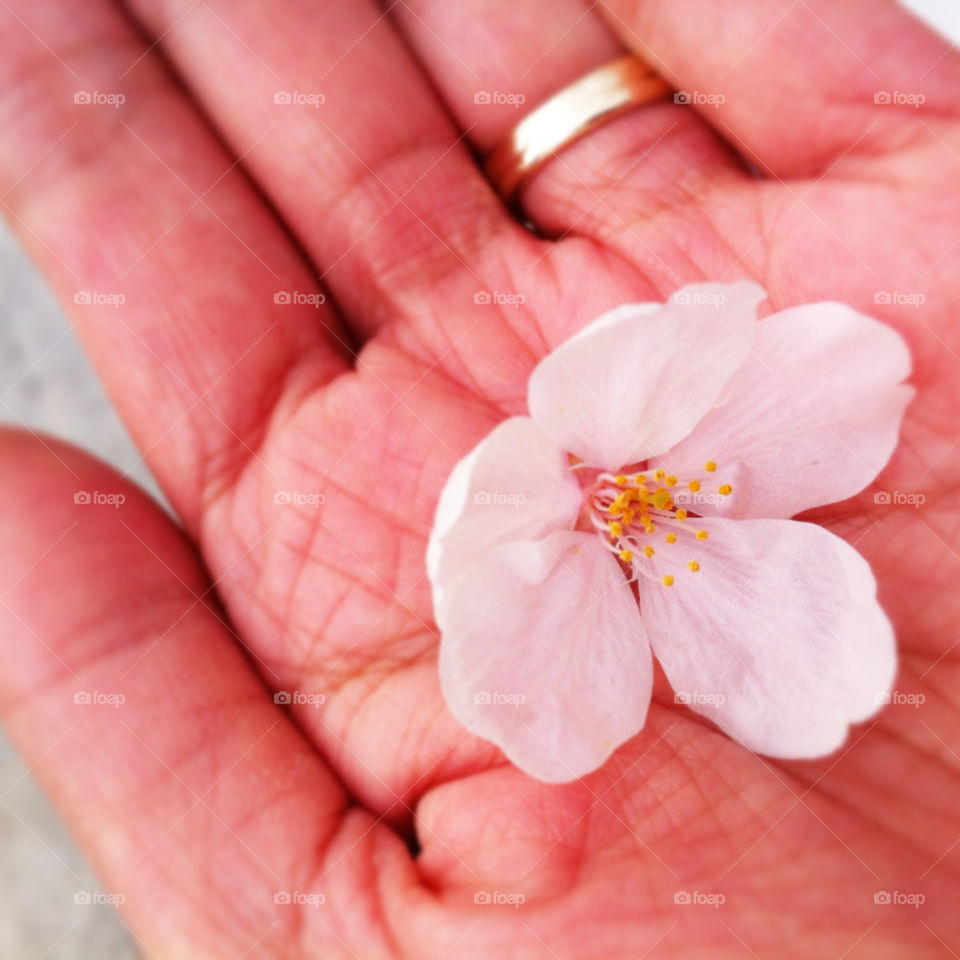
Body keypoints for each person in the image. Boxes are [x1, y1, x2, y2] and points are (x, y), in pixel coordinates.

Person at [0, 0, 957, 956]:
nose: (631, 507)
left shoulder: (670, 492)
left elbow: (833, 386)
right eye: (618, 497)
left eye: (632, 501)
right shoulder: (545, 502)